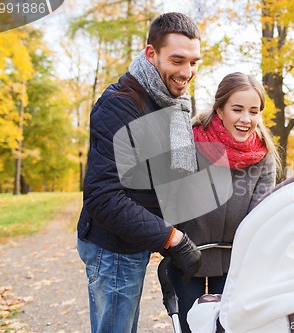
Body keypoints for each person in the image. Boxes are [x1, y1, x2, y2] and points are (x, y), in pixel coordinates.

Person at [76, 12, 203, 333]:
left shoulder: (169, 103)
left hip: (135, 241)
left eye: (194, 62)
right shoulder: (121, 105)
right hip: (113, 247)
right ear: (151, 54)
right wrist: (170, 238)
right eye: (177, 60)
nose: (187, 72)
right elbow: (103, 197)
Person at [168, 72, 281, 332]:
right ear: (220, 109)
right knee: (189, 325)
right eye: (237, 109)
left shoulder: (263, 154)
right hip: (187, 253)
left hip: (234, 258)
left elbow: (260, 211)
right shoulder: (191, 141)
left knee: (228, 326)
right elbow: (173, 199)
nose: (246, 119)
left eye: (254, 111)